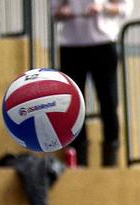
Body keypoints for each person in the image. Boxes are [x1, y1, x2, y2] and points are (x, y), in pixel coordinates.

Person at [51, 0, 132, 167]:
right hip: (71, 45)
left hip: (103, 42)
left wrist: (103, 7)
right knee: (74, 104)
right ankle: (79, 161)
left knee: (108, 101)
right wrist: (63, 11)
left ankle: (110, 161)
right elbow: (54, 11)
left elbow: (125, 8)